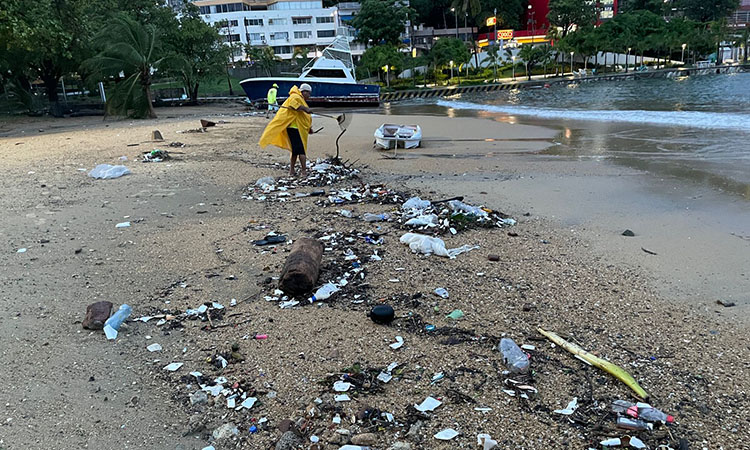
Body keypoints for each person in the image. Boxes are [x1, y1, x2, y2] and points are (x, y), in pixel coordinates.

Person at [259, 83, 315, 177]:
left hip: (298, 128)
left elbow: (302, 117)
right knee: (301, 151)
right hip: (294, 128)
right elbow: (294, 106)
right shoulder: (295, 96)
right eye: (308, 93)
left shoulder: (299, 98)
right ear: (304, 91)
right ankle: (303, 172)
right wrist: (305, 108)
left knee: (295, 150)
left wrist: (309, 128)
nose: (309, 96)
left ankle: (292, 171)